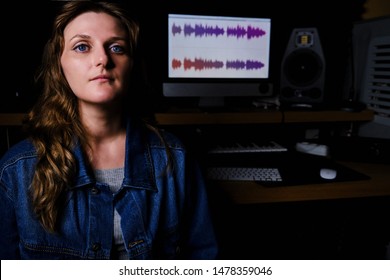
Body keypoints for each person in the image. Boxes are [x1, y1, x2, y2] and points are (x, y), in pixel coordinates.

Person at [0, 1, 218, 260]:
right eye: (82, 47)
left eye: (117, 48)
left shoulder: (175, 159)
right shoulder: (16, 170)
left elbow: (203, 259)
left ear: (131, 65)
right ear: (60, 65)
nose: (103, 59)